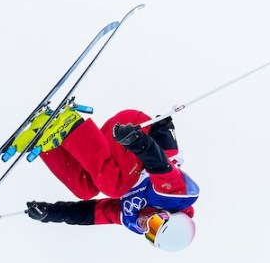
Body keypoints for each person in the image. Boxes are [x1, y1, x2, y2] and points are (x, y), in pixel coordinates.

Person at [17, 105, 199, 252]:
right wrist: (134, 139)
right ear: (170, 215)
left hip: (112, 151)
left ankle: (45, 140)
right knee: (116, 188)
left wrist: (51, 213)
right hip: (135, 131)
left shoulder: (132, 220)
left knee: (85, 190)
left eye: (149, 233)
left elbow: (93, 214)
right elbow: (158, 163)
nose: (146, 224)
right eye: (156, 223)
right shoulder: (174, 196)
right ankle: (70, 126)